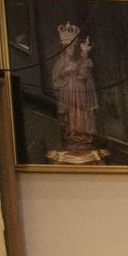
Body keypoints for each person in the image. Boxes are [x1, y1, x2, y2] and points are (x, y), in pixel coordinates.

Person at [50, 22, 97, 156]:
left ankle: (83, 136)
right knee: (72, 113)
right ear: (64, 48)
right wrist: (65, 72)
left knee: (81, 112)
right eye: (69, 48)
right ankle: (72, 135)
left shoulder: (77, 61)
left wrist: (81, 69)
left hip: (79, 90)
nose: (71, 50)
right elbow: (56, 80)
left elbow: (84, 72)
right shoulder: (61, 62)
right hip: (68, 91)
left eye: (73, 48)